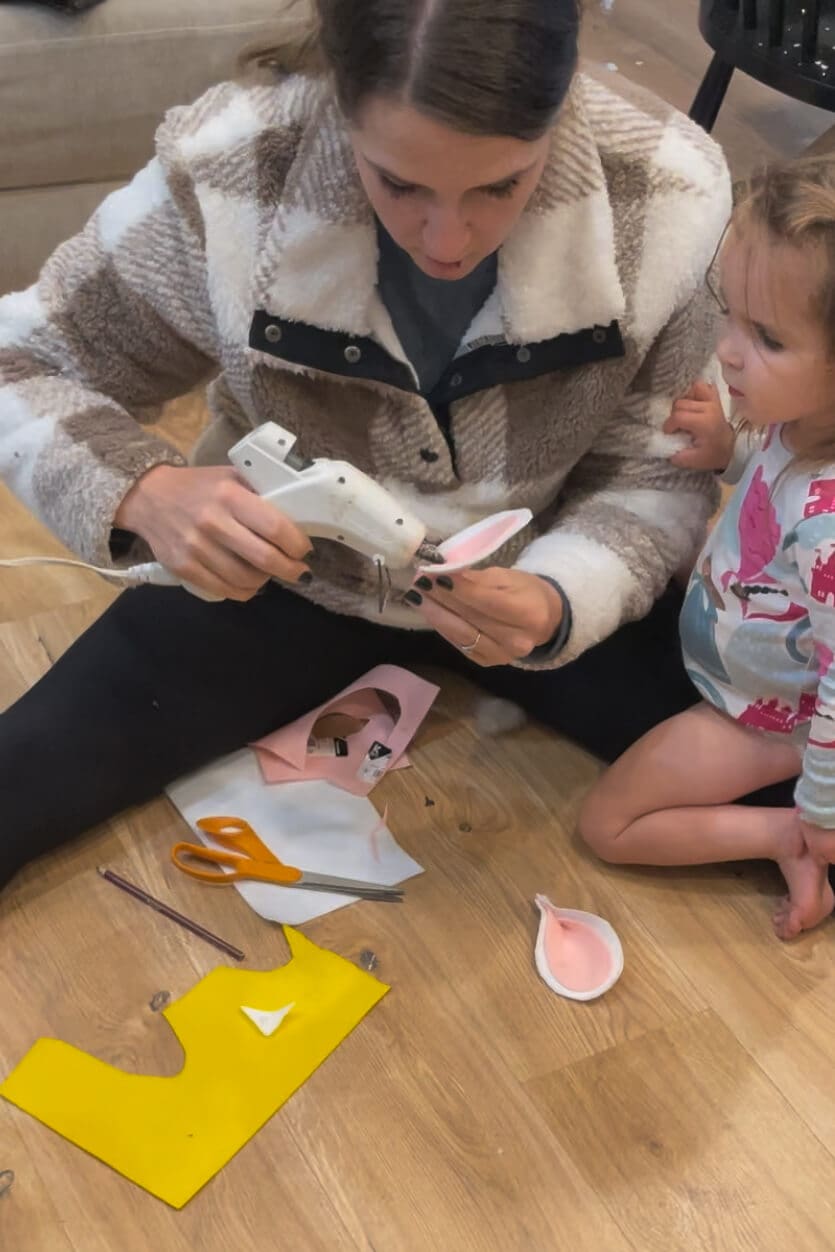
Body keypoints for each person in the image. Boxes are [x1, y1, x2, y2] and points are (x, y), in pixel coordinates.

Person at [0, 0, 731, 890]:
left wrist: (560, 598)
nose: (447, 243)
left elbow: (659, 470)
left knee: (796, 792)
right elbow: (18, 360)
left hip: (538, 569)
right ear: (340, 103)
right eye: (399, 183)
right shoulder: (234, 165)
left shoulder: (667, 192)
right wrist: (142, 491)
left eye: (501, 186)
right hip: (282, 571)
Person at [578, 155, 835, 940]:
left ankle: (780, 839)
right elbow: (776, 483)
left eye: (766, 338)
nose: (725, 351)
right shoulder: (803, 422)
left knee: (607, 825)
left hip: (766, 718)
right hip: (736, 653)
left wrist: (817, 811)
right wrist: (731, 450)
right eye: (731, 315)